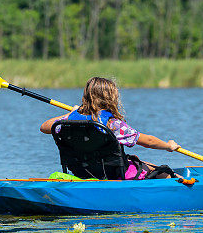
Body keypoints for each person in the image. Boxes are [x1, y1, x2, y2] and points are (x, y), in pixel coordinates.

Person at [40, 76, 180, 179]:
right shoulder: (112, 124)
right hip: (113, 174)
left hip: (84, 172)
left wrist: (71, 113)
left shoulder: (69, 121)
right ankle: (176, 182)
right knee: (164, 172)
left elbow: (45, 127)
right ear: (110, 99)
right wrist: (168, 146)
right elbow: (148, 141)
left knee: (142, 163)